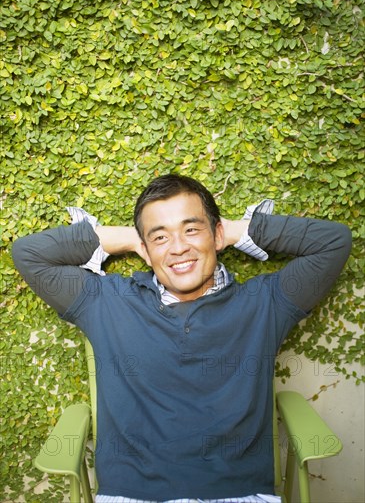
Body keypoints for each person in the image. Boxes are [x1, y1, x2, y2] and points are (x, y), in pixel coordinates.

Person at [12, 174, 352, 503]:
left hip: (239, 493)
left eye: (192, 230)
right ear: (144, 249)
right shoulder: (105, 302)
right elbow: (29, 253)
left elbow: (333, 242)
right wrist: (134, 239)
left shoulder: (266, 303)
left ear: (216, 235)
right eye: (160, 238)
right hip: (132, 495)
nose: (178, 248)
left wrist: (231, 230)